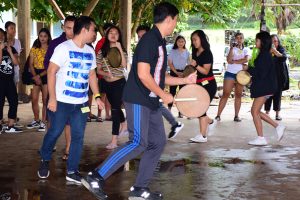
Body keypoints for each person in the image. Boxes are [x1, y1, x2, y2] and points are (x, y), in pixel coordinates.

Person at [81, 3, 196, 199]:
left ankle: (140, 189)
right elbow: (143, 75)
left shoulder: (159, 43)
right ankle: (96, 176)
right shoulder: (149, 40)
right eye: (175, 20)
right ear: (169, 19)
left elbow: (158, 76)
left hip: (150, 102)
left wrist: (184, 80)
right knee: (137, 142)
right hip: (138, 99)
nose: (175, 25)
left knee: (158, 142)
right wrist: (163, 94)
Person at [37, 16, 104, 183]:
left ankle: (72, 170)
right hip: (61, 102)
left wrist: (96, 96)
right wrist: (52, 98)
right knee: (54, 132)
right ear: (84, 30)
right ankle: (45, 159)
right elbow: (51, 72)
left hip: (81, 103)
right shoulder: (63, 48)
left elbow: (91, 75)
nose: (95, 33)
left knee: (78, 136)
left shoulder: (90, 51)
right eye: (93, 30)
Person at [137, 25, 184, 139]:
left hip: (151, 87)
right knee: (155, 106)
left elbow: (161, 75)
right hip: (146, 88)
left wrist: (161, 92)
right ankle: (174, 124)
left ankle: (173, 124)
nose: (140, 39)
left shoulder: (156, 49)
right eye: (138, 37)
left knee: (154, 106)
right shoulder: (143, 48)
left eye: (143, 36)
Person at [41, 15, 76, 161]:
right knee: (53, 120)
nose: (71, 31)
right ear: (63, 27)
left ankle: (68, 148)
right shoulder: (56, 43)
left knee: (70, 122)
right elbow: (47, 66)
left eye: (74, 28)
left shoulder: (83, 44)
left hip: (74, 91)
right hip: (56, 88)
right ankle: (50, 146)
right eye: (68, 27)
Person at [247, 31, 285, 146]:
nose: (255, 42)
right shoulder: (263, 53)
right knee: (256, 111)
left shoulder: (264, 55)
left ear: (262, 42)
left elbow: (261, 73)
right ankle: (277, 127)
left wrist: (248, 69)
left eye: (257, 40)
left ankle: (261, 137)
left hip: (265, 86)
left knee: (254, 111)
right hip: (266, 86)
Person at [96, 25, 128, 149]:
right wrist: (105, 73)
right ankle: (124, 123)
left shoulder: (122, 50)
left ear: (119, 36)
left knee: (115, 110)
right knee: (115, 107)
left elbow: (124, 65)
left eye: (116, 33)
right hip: (106, 83)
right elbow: (98, 70)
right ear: (107, 35)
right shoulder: (101, 51)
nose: (113, 34)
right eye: (111, 32)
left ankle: (114, 141)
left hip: (119, 83)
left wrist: (119, 48)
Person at [189, 30, 217, 143]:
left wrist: (195, 65)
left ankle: (203, 136)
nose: (194, 42)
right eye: (192, 40)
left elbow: (205, 71)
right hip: (199, 84)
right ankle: (209, 121)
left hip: (209, 84)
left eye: (195, 39)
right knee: (199, 109)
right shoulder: (195, 53)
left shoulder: (207, 53)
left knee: (201, 109)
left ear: (202, 39)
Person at [215, 32, 250, 122]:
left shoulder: (246, 49)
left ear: (243, 39)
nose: (239, 39)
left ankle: (236, 116)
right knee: (226, 94)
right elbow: (228, 60)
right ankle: (218, 115)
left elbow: (246, 59)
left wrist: (234, 61)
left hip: (241, 74)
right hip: (230, 73)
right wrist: (231, 49)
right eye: (237, 38)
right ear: (235, 39)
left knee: (238, 95)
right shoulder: (231, 49)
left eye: (241, 38)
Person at [27, 28, 52, 132]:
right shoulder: (34, 48)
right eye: (41, 36)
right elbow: (30, 64)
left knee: (45, 100)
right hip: (35, 74)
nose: (42, 38)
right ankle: (36, 120)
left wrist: (39, 76)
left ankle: (44, 121)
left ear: (48, 37)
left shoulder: (51, 49)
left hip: (46, 74)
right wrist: (35, 76)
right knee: (34, 99)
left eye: (45, 36)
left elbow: (51, 66)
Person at [0, 28, 22, 133]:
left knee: (13, 101)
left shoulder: (12, 49)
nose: (0, 37)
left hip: (9, 80)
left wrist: (9, 51)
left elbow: (16, 62)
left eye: (2, 35)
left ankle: (10, 125)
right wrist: (0, 49)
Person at [264, 34, 289, 121]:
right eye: (273, 41)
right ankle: (267, 113)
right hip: (269, 77)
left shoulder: (281, 49)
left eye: (276, 41)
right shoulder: (266, 50)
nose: (275, 43)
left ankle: (277, 114)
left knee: (277, 96)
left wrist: (275, 51)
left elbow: (284, 58)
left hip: (279, 77)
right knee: (268, 95)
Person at [168, 35, 190, 117]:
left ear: (184, 42)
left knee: (182, 93)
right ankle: (169, 110)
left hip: (183, 73)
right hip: (174, 72)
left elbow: (189, 64)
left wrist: (185, 73)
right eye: (179, 41)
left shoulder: (187, 52)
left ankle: (181, 112)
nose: (181, 43)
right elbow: (170, 63)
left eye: (182, 41)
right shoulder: (173, 51)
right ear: (176, 42)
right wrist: (176, 72)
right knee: (172, 92)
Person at [95, 23, 114, 122]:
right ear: (105, 31)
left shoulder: (113, 42)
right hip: (103, 74)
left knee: (108, 95)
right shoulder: (101, 42)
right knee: (102, 95)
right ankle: (99, 115)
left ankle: (107, 114)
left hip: (112, 74)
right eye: (109, 31)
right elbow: (98, 58)